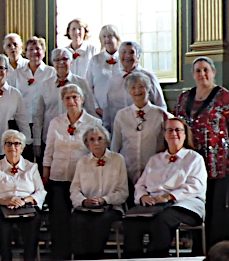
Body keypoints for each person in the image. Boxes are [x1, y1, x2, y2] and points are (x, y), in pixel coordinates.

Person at [125, 116, 207, 258]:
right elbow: (141, 184)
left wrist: (169, 196)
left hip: (184, 204)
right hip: (154, 204)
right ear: (164, 135)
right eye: (169, 130)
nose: (173, 134)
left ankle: (157, 258)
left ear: (185, 134)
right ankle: (134, 258)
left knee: (161, 220)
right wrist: (143, 196)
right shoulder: (155, 159)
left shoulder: (194, 158)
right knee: (131, 221)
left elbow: (195, 186)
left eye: (178, 130)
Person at [42, 84, 104, 259]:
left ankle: (81, 254)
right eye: (67, 98)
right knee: (59, 219)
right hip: (58, 177)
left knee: (80, 219)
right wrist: (46, 172)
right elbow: (49, 150)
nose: (71, 101)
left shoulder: (94, 123)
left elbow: (99, 151)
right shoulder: (56, 122)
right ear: (62, 101)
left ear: (82, 99)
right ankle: (60, 254)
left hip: (83, 180)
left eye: (75, 97)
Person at [175, 57, 229, 248]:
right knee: (195, 204)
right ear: (193, 75)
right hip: (190, 161)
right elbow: (177, 124)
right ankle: (197, 247)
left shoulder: (224, 96)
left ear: (213, 72)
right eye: (198, 71)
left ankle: (217, 249)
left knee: (216, 206)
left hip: (217, 161)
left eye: (206, 70)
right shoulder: (184, 97)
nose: (202, 74)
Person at [0, 130, 45, 261]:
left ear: (22, 148)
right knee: (2, 228)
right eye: (8, 143)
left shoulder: (32, 167)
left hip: (27, 206)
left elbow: (41, 191)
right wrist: (5, 201)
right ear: (3, 147)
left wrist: (25, 200)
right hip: (3, 207)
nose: (12, 147)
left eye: (17, 144)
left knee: (33, 224)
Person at [69, 126, 129, 259]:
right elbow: (74, 189)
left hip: (110, 207)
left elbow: (123, 191)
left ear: (106, 141)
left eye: (100, 139)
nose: (96, 143)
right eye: (92, 140)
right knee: (77, 220)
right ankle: (81, 258)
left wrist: (104, 200)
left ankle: (96, 257)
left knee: (100, 221)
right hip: (86, 207)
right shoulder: (82, 162)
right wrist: (83, 201)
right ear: (87, 143)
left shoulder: (118, 159)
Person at [33, 48, 97, 158]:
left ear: (71, 62)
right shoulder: (45, 85)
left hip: (78, 140)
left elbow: (91, 111)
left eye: (64, 59)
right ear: (53, 63)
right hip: (51, 139)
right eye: (57, 60)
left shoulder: (81, 83)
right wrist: (37, 142)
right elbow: (38, 115)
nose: (61, 63)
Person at [113, 71, 168, 183]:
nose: (137, 91)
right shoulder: (122, 115)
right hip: (127, 171)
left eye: (141, 86)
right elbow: (115, 145)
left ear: (148, 88)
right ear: (128, 91)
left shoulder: (160, 114)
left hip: (154, 171)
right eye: (133, 87)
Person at [104, 41, 166, 131]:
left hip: (146, 128)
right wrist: (107, 129)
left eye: (132, 52)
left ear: (138, 56)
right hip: (119, 129)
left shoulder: (148, 76)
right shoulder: (114, 79)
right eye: (124, 52)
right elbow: (108, 109)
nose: (127, 56)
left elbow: (160, 104)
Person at [8, 37, 53, 134]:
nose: (34, 52)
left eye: (38, 49)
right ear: (26, 53)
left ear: (44, 52)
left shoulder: (51, 72)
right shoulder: (18, 73)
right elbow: (11, 96)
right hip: (22, 121)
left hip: (45, 121)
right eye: (31, 49)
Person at [86, 24, 121, 119]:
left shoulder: (124, 59)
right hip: (99, 112)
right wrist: (96, 108)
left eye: (110, 36)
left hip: (122, 111)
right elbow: (88, 87)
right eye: (104, 37)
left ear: (117, 38)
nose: (107, 39)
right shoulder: (95, 60)